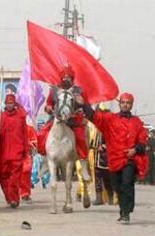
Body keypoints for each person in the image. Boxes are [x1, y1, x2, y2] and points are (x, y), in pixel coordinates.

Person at [76, 92, 148, 223]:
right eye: (123, 102)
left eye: (128, 103)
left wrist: (135, 149)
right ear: (120, 104)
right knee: (117, 186)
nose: (125, 105)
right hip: (114, 160)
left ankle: (126, 213)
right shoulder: (110, 119)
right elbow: (94, 116)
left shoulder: (137, 122)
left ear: (131, 105)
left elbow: (142, 141)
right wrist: (84, 103)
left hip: (129, 159)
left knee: (127, 184)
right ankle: (123, 210)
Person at [38, 65, 90, 182]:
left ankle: (83, 165)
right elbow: (48, 104)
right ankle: (45, 160)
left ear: (72, 78)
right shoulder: (54, 90)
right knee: (42, 133)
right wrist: (49, 108)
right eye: (64, 77)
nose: (66, 79)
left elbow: (85, 105)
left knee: (81, 137)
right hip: (57, 117)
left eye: (68, 77)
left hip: (74, 119)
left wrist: (80, 102)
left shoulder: (78, 90)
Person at [0, 94, 28, 208]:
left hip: (17, 152)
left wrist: (25, 150)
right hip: (3, 153)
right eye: (7, 103)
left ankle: (14, 199)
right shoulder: (1, 117)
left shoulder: (20, 117)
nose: (9, 105)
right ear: (5, 104)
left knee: (14, 179)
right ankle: (9, 198)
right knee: (3, 177)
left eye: (11, 103)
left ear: (14, 104)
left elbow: (25, 134)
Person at [20, 122, 37, 203]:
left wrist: (30, 145)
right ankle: (12, 195)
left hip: (25, 153)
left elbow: (34, 141)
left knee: (26, 171)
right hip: (12, 152)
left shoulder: (29, 128)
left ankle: (25, 193)